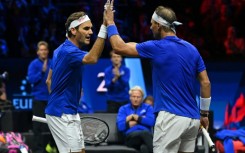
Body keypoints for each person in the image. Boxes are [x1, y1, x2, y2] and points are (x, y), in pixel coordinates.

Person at [104, 2, 211, 153]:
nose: (150, 27)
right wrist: (204, 114)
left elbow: (119, 47)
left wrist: (110, 22)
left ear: (159, 26)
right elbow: (205, 83)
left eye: (152, 24)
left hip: (170, 119)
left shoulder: (156, 47)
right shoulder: (192, 49)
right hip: (192, 120)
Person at [45, 7, 107, 153]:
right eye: (86, 28)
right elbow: (92, 58)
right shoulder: (68, 52)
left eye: (92, 28)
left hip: (66, 110)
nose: (91, 32)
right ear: (73, 30)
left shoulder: (59, 50)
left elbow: (49, 80)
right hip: (63, 112)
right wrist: (104, 27)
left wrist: (61, 95)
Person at [27, 41, 55, 153]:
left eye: (45, 50)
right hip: (38, 99)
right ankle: (39, 149)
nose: (43, 52)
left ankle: (52, 147)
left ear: (48, 51)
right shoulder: (33, 64)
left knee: (55, 126)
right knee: (37, 127)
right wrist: (42, 72)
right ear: (38, 52)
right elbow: (31, 80)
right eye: (41, 50)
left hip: (52, 99)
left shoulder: (53, 63)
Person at [117, 86, 155, 153]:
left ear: (142, 98)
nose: (135, 99)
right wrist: (142, 119)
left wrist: (136, 118)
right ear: (130, 97)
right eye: (133, 96)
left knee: (144, 148)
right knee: (145, 133)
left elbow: (151, 122)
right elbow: (120, 127)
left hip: (146, 137)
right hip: (131, 137)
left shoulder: (148, 108)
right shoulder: (123, 109)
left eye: (138, 97)